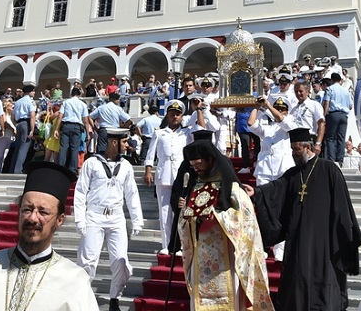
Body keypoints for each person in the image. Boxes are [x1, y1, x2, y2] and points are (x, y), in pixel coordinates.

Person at [0, 162, 99, 311]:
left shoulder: (75, 281)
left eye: (43, 212)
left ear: (59, 220)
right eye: (27, 209)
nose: (32, 218)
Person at [246, 127, 361, 310]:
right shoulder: (293, 174)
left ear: (308, 147)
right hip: (298, 239)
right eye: (292, 149)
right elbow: (276, 190)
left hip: (324, 241)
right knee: (297, 277)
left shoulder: (329, 169)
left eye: (296, 149)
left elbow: (342, 205)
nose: (294, 154)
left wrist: (344, 234)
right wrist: (257, 192)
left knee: (323, 277)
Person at [176, 140, 274, 311]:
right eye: (192, 166)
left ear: (210, 160)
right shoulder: (195, 185)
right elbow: (184, 220)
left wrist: (216, 217)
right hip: (201, 254)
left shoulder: (232, 188)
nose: (195, 169)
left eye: (198, 164)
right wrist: (188, 216)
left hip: (227, 254)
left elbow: (245, 217)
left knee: (231, 297)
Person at [73, 129, 143, 311]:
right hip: (94, 216)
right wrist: (80, 220)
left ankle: (114, 299)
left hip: (116, 217)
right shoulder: (92, 163)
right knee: (88, 261)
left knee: (121, 261)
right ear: (114, 142)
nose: (128, 145)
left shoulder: (126, 166)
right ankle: (82, 299)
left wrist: (137, 220)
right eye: (125, 141)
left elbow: (132, 193)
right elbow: (80, 192)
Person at [247, 94, 295, 261]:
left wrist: (268, 105)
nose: (279, 111)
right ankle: (264, 245)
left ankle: (280, 248)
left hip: (283, 168)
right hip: (265, 168)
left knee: (282, 208)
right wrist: (256, 106)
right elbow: (251, 124)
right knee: (263, 208)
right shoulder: (267, 126)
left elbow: (282, 120)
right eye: (277, 108)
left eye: (282, 109)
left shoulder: (290, 123)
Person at [143, 100, 194, 255]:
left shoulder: (186, 133)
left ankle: (180, 244)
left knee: (180, 211)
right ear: (167, 114)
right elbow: (151, 153)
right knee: (164, 211)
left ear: (182, 116)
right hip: (163, 173)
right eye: (172, 114)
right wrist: (148, 170)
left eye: (178, 114)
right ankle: (166, 245)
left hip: (181, 174)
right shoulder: (159, 133)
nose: (175, 117)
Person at [54, 87, 93, 174]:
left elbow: (60, 116)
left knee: (63, 148)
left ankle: (60, 167)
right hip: (77, 127)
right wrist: (87, 133)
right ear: (79, 94)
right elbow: (86, 120)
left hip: (66, 125)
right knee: (74, 149)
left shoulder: (66, 102)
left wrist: (56, 129)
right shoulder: (83, 104)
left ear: (71, 94)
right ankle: (73, 169)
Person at [322, 72, 353, 163]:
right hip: (343, 115)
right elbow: (350, 106)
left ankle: (331, 159)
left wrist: (324, 115)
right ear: (340, 81)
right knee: (341, 138)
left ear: (332, 80)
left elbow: (326, 102)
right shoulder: (345, 91)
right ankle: (340, 159)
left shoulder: (329, 89)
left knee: (330, 138)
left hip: (333, 114)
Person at [289, 81, 326, 155]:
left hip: (309, 139)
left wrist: (318, 143)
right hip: (296, 140)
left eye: (300, 91)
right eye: (296, 92)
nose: (298, 94)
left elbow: (321, 123)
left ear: (307, 91)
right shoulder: (294, 109)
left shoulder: (314, 105)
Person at [8, 84, 37, 174]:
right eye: (33, 91)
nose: (34, 92)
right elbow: (32, 116)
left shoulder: (18, 102)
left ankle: (12, 168)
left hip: (19, 123)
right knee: (24, 147)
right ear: (30, 91)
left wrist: (16, 124)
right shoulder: (30, 101)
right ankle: (18, 170)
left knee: (18, 147)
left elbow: (12, 116)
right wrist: (32, 130)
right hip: (26, 123)